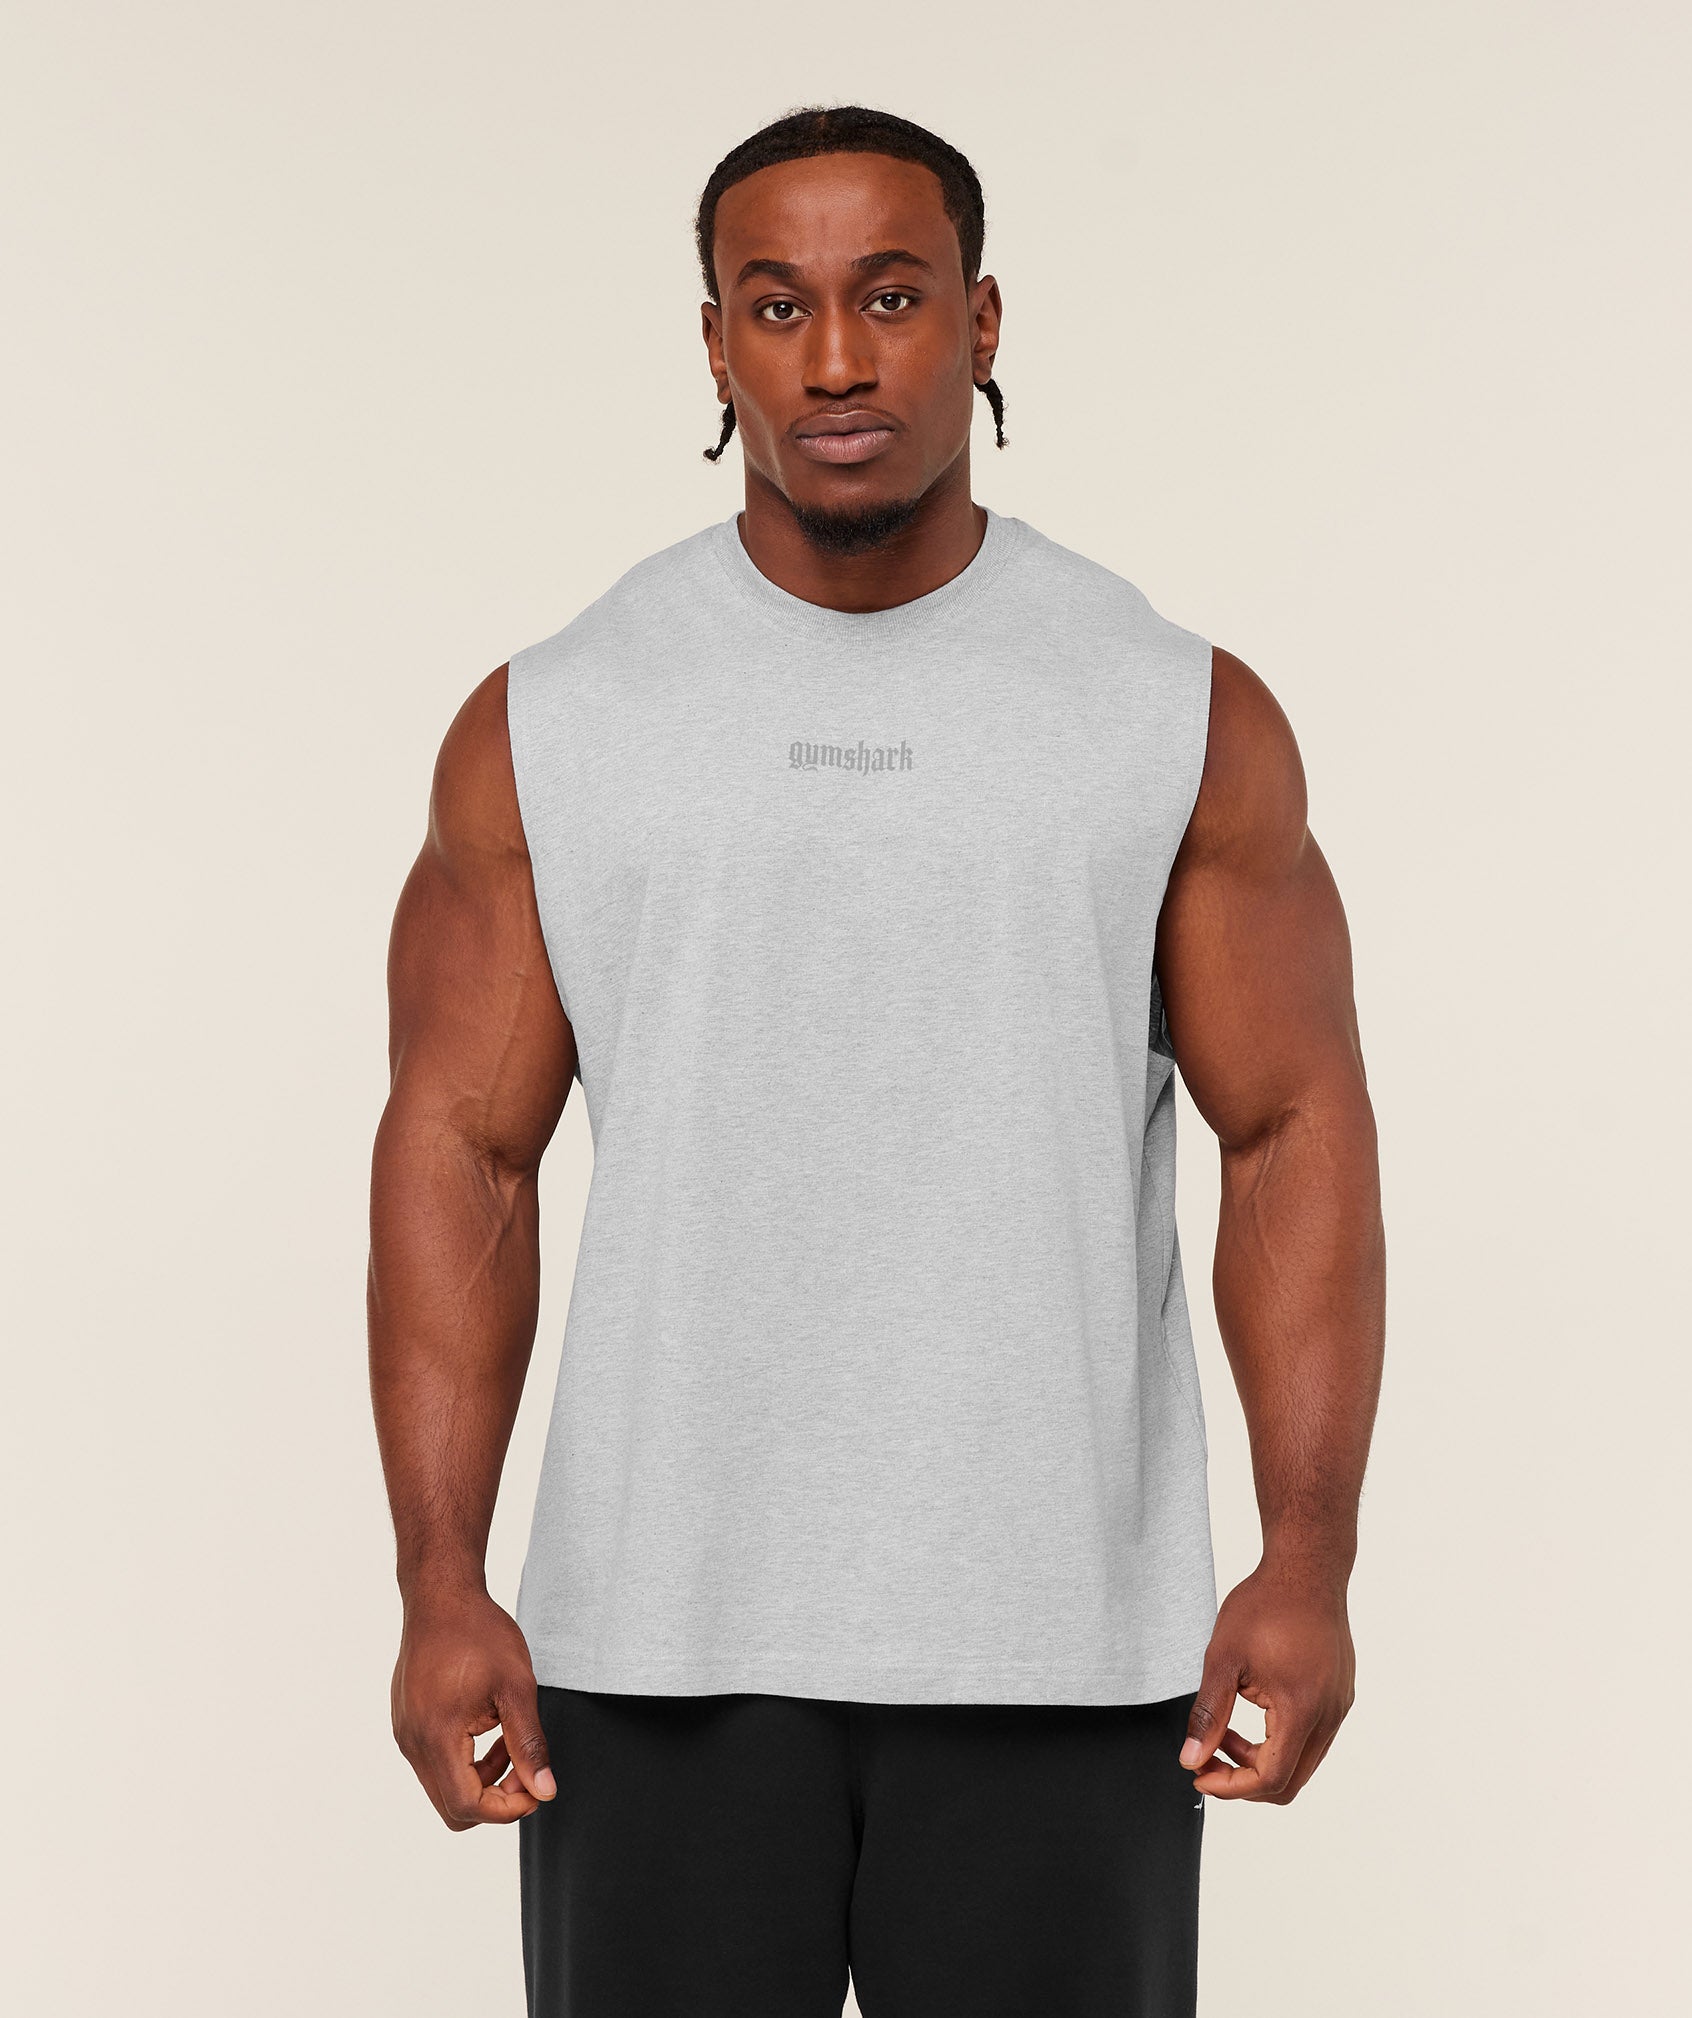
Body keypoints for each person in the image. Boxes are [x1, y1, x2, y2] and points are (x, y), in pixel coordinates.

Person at [367, 103, 1385, 2018]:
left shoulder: (1166, 710)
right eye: (780, 305)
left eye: (893, 296)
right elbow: (458, 1152)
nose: (837, 356)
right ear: (715, 345)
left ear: (982, 321)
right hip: (653, 1651)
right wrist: (440, 1579)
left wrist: (1307, 1554)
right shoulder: (559, 720)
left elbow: (1291, 1126)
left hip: (1061, 1652)